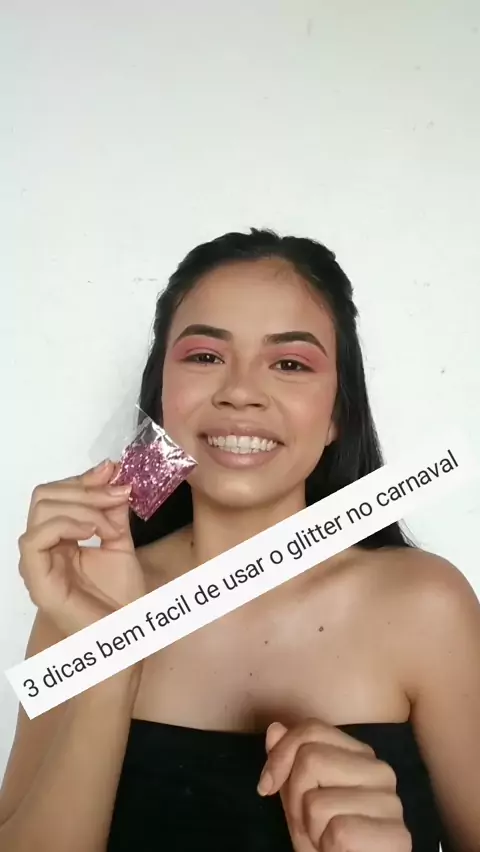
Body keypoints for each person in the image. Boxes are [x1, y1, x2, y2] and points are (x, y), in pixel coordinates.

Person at [0, 229, 479, 852]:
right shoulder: (81, 599)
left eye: (290, 364)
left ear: (337, 414)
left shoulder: (428, 606)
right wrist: (112, 662)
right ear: (163, 401)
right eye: (204, 357)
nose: (241, 392)